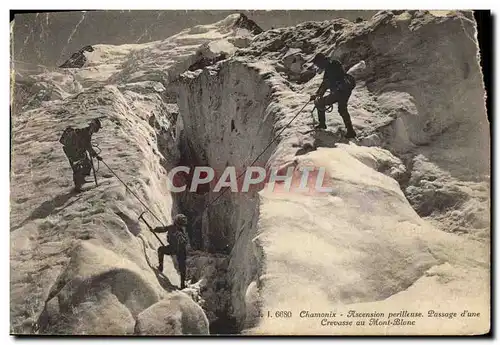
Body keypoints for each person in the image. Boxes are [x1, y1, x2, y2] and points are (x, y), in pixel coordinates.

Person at [309, 52, 357, 138]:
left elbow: (326, 83)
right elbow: (325, 83)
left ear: (321, 62)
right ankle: (350, 131)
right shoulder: (331, 65)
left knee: (320, 103)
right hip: (343, 90)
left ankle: (323, 124)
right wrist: (318, 94)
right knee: (342, 109)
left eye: (318, 64)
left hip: (340, 91)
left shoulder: (332, 66)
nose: (318, 66)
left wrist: (317, 95)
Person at [60, 118, 102, 192]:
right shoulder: (85, 133)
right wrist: (96, 155)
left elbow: (87, 145)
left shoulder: (87, 132)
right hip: (72, 151)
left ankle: (81, 181)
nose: (97, 130)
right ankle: (78, 187)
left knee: (87, 164)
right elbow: (87, 146)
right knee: (77, 169)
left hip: (78, 151)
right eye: (96, 128)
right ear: (93, 126)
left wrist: (94, 154)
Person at [153, 214, 190, 289]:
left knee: (182, 267)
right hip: (176, 249)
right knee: (161, 250)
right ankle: (161, 267)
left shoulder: (178, 230)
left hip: (179, 251)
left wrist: (155, 230)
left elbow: (185, 241)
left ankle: (182, 284)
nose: (181, 226)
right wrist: (155, 229)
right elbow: (163, 229)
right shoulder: (174, 228)